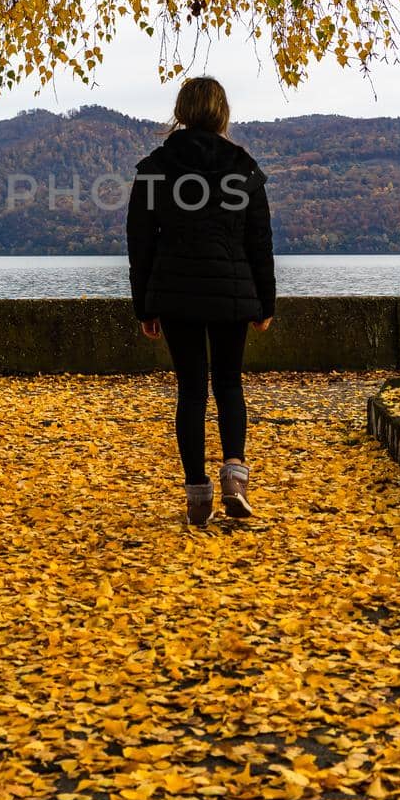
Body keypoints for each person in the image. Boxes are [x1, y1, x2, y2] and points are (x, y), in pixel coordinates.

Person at [125, 75, 275, 527]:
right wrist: (264, 303)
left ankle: (197, 495)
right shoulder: (242, 166)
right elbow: (260, 241)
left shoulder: (156, 166)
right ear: (221, 113)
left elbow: (139, 242)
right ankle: (234, 476)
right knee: (229, 384)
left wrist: (144, 306)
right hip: (231, 292)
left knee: (191, 390)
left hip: (173, 294)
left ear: (182, 111)